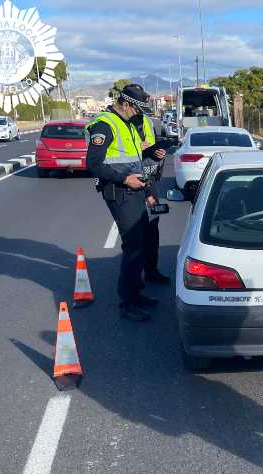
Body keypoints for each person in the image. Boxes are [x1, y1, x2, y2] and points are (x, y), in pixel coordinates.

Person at [85, 84, 158, 322]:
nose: (140, 115)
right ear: (126, 104)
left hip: (135, 189)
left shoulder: (127, 123)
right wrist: (124, 178)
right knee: (133, 246)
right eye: (138, 110)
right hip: (119, 191)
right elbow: (93, 164)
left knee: (143, 240)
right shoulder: (105, 125)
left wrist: (147, 189)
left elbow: (135, 162)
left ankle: (136, 293)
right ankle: (127, 302)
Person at [130, 111, 171, 285]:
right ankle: (134, 278)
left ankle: (151, 271)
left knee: (152, 229)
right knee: (134, 232)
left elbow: (152, 146)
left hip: (149, 177)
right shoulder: (117, 122)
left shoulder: (146, 120)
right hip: (129, 179)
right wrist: (137, 147)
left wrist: (157, 153)